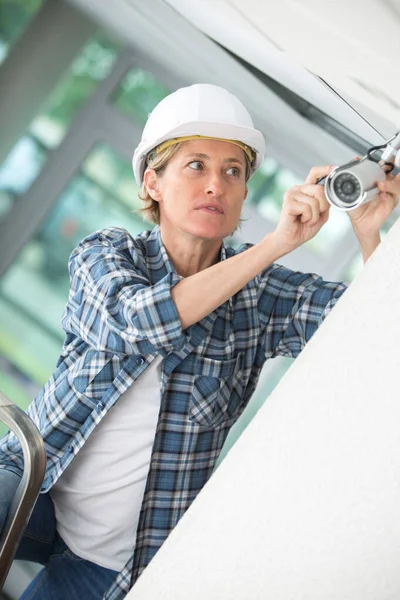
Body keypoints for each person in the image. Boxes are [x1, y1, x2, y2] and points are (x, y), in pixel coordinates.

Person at [0, 83, 399, 600]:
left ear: (243, 195)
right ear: (154, 182)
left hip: (113, 558)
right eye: (196, 166)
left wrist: (371, 235)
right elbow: (145, 323)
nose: (216, 184)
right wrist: (279, 244)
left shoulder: (260, 298)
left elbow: (372, 339)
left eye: (233, 172)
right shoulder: (107, 255)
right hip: (36, 482)